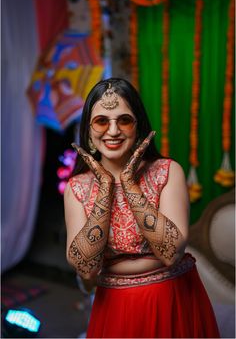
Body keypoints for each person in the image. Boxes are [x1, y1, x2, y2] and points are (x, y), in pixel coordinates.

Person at [64, 77, 220, 338]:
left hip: (173, 299)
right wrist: (105, 187)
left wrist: (128, 184)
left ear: (138, 127)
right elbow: (85, 267)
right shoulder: (77, 188)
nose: (113, 131)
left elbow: (170, 252)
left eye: (123, 120)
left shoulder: (167, 172)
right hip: (115, 306)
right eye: (102, 121)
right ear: (89, 131)